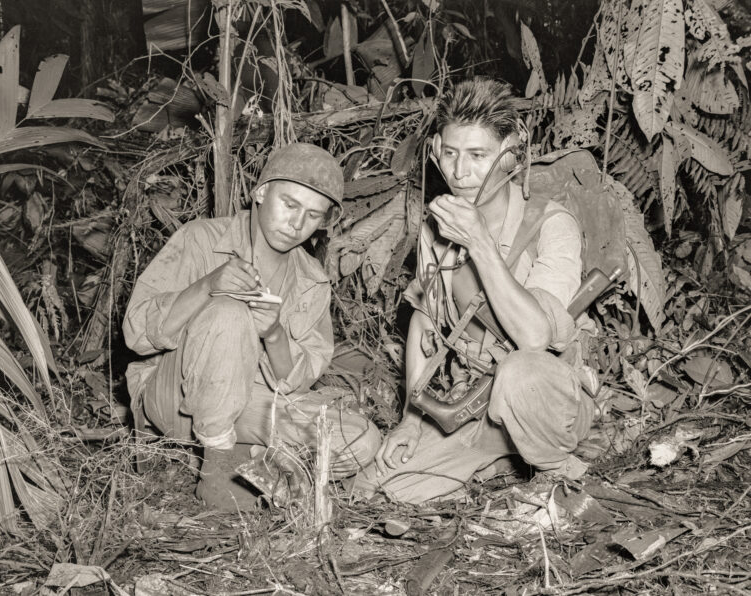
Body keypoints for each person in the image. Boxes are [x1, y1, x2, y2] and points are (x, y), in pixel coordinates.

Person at [350, 78, 596, 504]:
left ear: (510, 155)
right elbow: (425, 323)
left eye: (478, 156)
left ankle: (561, 479)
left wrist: (480, 243)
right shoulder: (436, 230)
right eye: (450, 154)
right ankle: (502, 459)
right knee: (386, 489)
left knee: (521, 372)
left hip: (547, 401)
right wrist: (412, 417)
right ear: (435, 153)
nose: (459, 172)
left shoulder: (550, 226)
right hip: (474, 402)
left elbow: (535, 338)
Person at [123, 143, 381, 512]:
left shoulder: (312, 280)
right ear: (261, 192)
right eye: (289, 205)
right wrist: (208, 286)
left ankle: (257, 460)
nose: (296, 224)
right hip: (176, 399)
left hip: (248, 405)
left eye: (312, 215)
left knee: (360, 440)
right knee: (229, 312)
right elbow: (136, 334)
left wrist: (274, 334)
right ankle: (217, 472)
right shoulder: (201, 239)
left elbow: (299, 381)